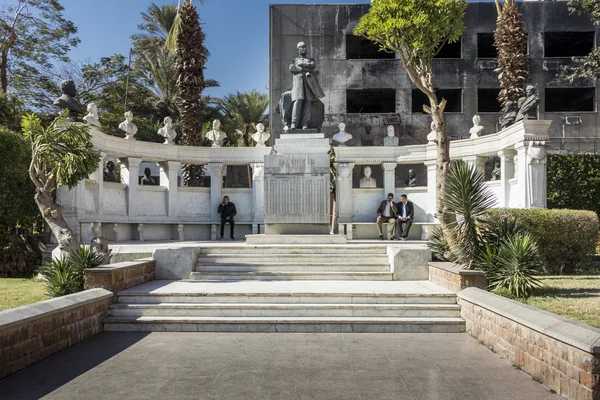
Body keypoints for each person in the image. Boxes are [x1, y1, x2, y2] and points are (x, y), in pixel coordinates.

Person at [289, 41, 325, 130]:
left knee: (308, 103)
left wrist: (301, 67)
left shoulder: (310, 60)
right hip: (298, 84)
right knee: (298, 102)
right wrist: (304, 68)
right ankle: (294, 123)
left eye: (305, 47)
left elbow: (312, 67)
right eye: (301, 47)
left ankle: (305, 123)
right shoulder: (294, 60)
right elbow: (292, 68)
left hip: (309, 83)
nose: (304, 49)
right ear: (298, 50)